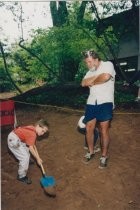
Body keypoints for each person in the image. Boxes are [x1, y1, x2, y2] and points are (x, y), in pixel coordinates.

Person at [81, 50, 116, 168]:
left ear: (96, 59)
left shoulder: (108, 65)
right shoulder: (89, 71)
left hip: (105, 101)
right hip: (91, 102)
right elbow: (83, 83)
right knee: (88, 128)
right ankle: (91, 151)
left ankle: (104, 156)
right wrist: (97, 79)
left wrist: (92, 81)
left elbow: (106, 76)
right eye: (87, 63)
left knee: (103, 130)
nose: (88, 65)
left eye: (90, 62)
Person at [7, 119, 49, 184]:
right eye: (42, 131)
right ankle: (21, 176)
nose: (42, 133)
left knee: (26, 149)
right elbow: (31, 148)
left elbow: (29, 143)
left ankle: (27, 161)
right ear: (38, 126)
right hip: (13, 140)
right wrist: (37, 159)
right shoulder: (33, 134)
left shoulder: (32, 128)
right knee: (24, 158)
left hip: (16, 137)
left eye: (44, 132)